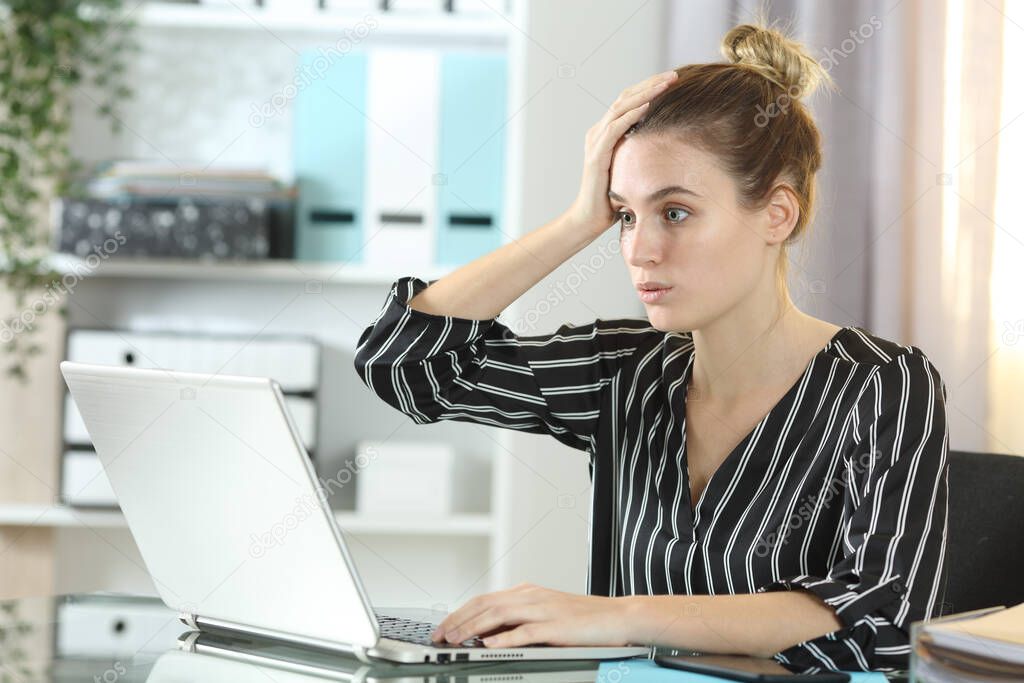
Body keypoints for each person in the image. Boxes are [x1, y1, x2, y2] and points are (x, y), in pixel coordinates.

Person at [353, 21, 949, 674]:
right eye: (626, 216)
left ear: (778, 214)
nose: (639, 249)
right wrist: (580, 219)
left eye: (676, 212)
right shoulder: (622, 370)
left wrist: (614, 615)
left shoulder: (885, 384)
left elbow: (881, 620)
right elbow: (405, 365)